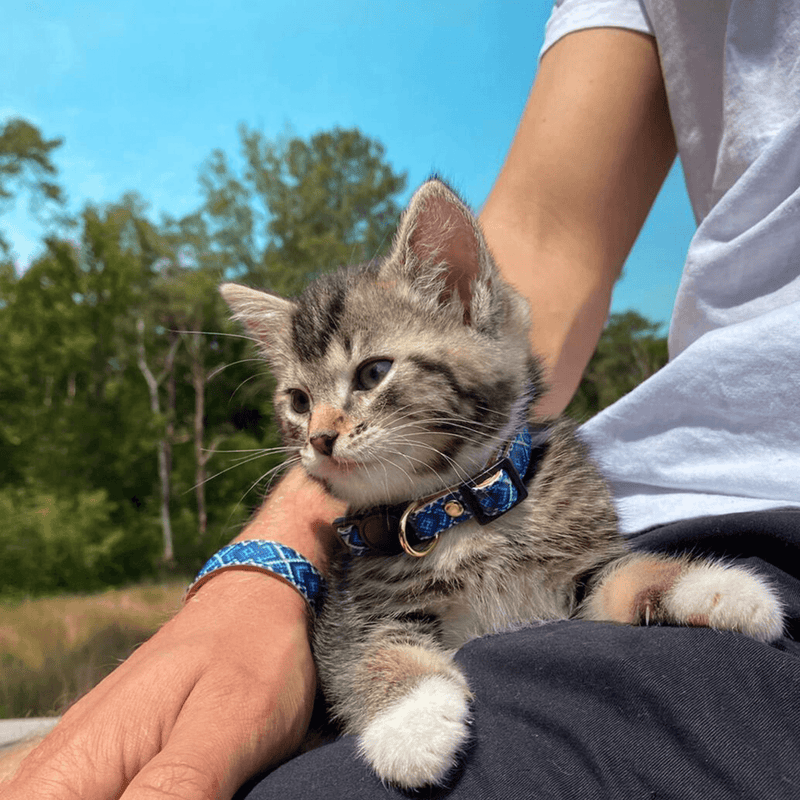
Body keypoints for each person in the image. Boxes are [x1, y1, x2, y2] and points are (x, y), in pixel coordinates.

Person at [4, 2, 800, 798]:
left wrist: (659, 589)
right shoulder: (377, 546)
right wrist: (264, 569)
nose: (321, 430)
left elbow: (590, 577)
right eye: (298, 402)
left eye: (369, 374)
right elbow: (553, 229)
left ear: (460, 301)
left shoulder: (560, 486)